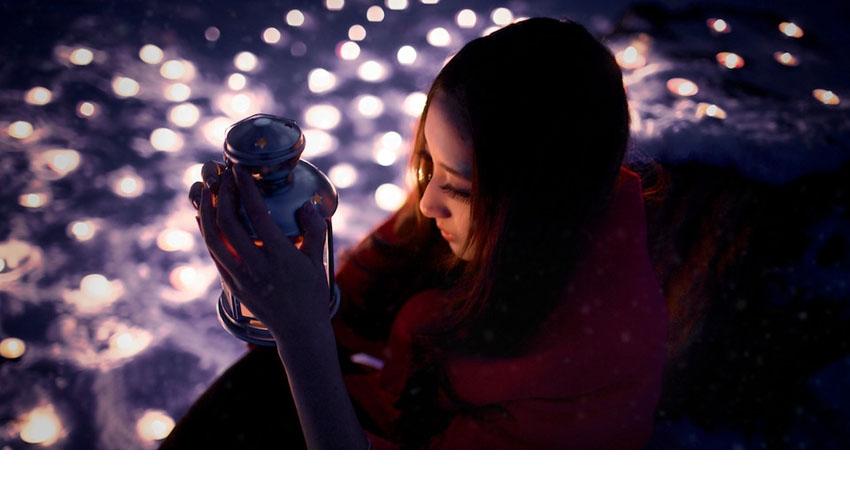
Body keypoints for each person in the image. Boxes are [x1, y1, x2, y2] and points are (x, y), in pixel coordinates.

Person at [163, 17, 669, 450]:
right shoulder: (476, 209)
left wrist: (301, 334)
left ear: (543, 209)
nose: (427, 205)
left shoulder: (591, 360)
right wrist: (277, 280)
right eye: (429, 167)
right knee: (259, 386)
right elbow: (354, 302)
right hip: (390, 415)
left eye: (461, 189)